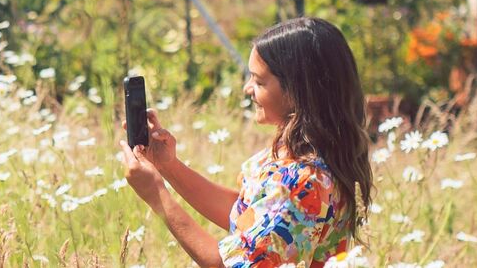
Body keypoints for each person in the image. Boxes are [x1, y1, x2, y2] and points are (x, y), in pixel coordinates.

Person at [120, 17, 374, 267]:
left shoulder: (303, 181)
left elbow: (232, 264)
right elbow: (247, 216)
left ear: (298, 91)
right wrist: (169, 167)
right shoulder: (296, 160)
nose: (247, 88)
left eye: (259, 81)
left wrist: (157, 195)